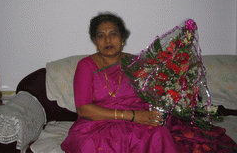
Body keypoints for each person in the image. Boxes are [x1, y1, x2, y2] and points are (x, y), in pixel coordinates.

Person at [61, 13, 237, 152]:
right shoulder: (86, 66)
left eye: (113, 34)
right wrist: (132, 116)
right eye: (101, 36)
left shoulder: (137, 62)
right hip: (99, 124)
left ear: (122, 38)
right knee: (91, 145)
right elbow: (83, 109)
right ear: (95, 41)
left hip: (140, 120)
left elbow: (154, 93)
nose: (108, 40)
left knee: (159, 133)